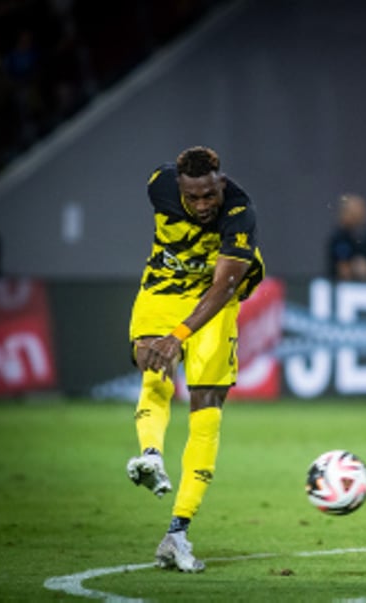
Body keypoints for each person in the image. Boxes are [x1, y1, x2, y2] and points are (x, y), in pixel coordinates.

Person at [126, 146, 265, 572]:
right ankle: (151, 455)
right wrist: (166, 339)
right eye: (194, 198)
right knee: (151, 364)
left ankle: (177, 532)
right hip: (162, 290)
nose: (203, 205)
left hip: (212, 302)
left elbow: (223, 287)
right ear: (179, 189)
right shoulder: (159, 185)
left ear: (219, 182)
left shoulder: (239, 212)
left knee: (206, 408)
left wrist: (179, 335)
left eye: (209, 195)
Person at [326, 193, 366, 280]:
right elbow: (343, 268)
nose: (363, 214)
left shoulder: (352, 236)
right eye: (359, 210)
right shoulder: (341, 237)